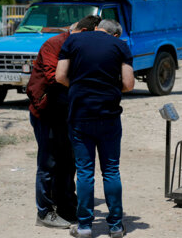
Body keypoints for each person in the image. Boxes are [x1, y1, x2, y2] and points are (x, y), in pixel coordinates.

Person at [56, 19, 134, 238]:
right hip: (109, 116)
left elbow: (60, 76)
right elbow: (128, 84)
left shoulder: (74, 40)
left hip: (80, 115)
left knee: (84, 172)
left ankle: (84, 227)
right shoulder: (120, 46)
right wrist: (108, 87)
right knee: (111, 170)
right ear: (114, 34)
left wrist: (81, 86)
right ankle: (116, 226)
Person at [27, 15, 101, 229]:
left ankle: (67, 207)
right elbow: (54, 77)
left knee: (68, 161)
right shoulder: (55, 44)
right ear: (86, 32)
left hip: (67, 112)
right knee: (48, 163)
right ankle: (44, 212)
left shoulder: (82, 46)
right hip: (47, 112)